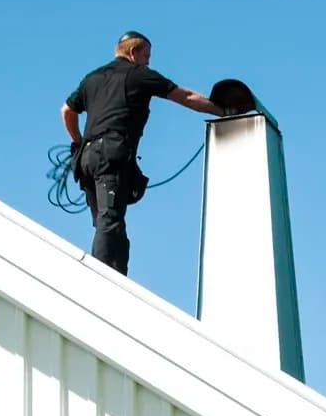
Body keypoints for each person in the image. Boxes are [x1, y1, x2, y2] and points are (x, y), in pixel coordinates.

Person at [59, 32, 227, 275]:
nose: (148, 62)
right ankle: (101, 281)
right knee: (109, 221)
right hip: (111, 155)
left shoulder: (92, 78)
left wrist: (77, 141)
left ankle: (116, 275)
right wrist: (224, 111)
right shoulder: (139, 75)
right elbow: (187, 97)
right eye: (146, 56)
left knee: (108, 224)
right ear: (133, 52)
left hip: (86, 158)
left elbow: (67, 110)